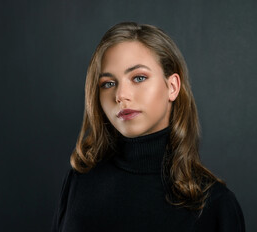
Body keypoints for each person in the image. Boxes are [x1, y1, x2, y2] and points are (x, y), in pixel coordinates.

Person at [51, 22, 245, 232]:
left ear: (172, 87)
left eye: (139, 78)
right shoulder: (79, 182)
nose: (120, 95)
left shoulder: (214, 204)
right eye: (108, 83)